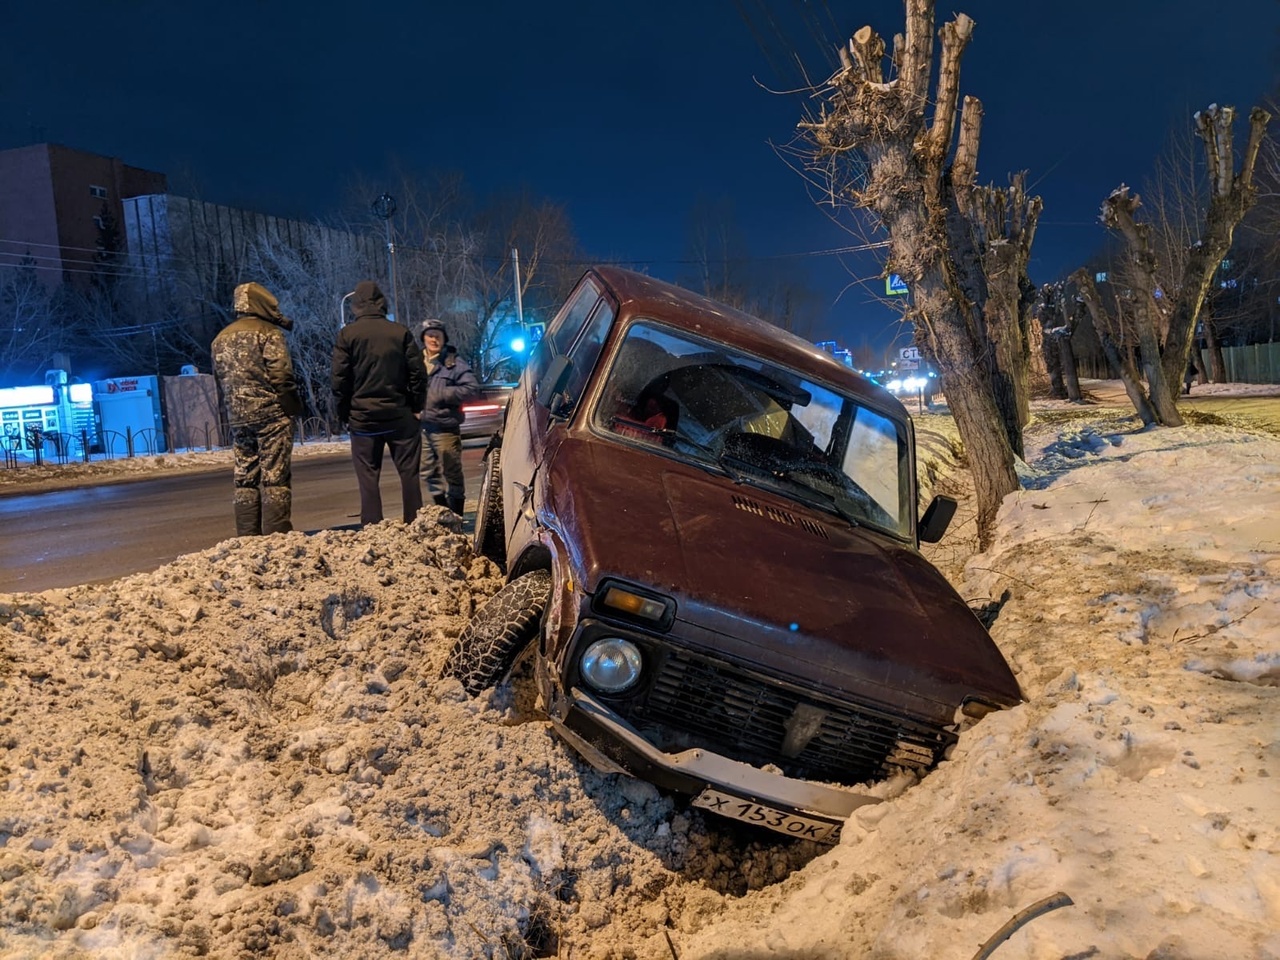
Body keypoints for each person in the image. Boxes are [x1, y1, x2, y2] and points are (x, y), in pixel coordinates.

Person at [331, 281, 428, 526]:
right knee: (409, 474)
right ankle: (414, 523)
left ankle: (373, 527)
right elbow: (417, 374)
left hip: (363, 419)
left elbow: (339, 379)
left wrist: (345, 414)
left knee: (368, 478)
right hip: (399, 416)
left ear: (357, 306)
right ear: (382, 303)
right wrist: (416, 406)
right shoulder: (400, 332)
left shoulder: (347, 335)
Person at [211, 281, 303, 537]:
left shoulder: (220, 338)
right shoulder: (268, 333)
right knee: (275, 476)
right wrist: (291, 407)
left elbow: (219, 378)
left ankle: (247, 538)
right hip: (271, 415)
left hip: (238, 418)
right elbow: (281, 375)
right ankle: (277, 536)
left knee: (245, 477)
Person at [419, 319, 479, 515]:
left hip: (445, 428)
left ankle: (457, 515)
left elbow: (471, 389)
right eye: (430, 336)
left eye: (438, 335)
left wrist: (443, 394)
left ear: (444, 338)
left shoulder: (453, 363)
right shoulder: (416, 362)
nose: (434, 339)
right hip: (423, 427)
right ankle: (443, 511)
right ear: (424, 338)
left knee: (451, 472)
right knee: (427, 472)